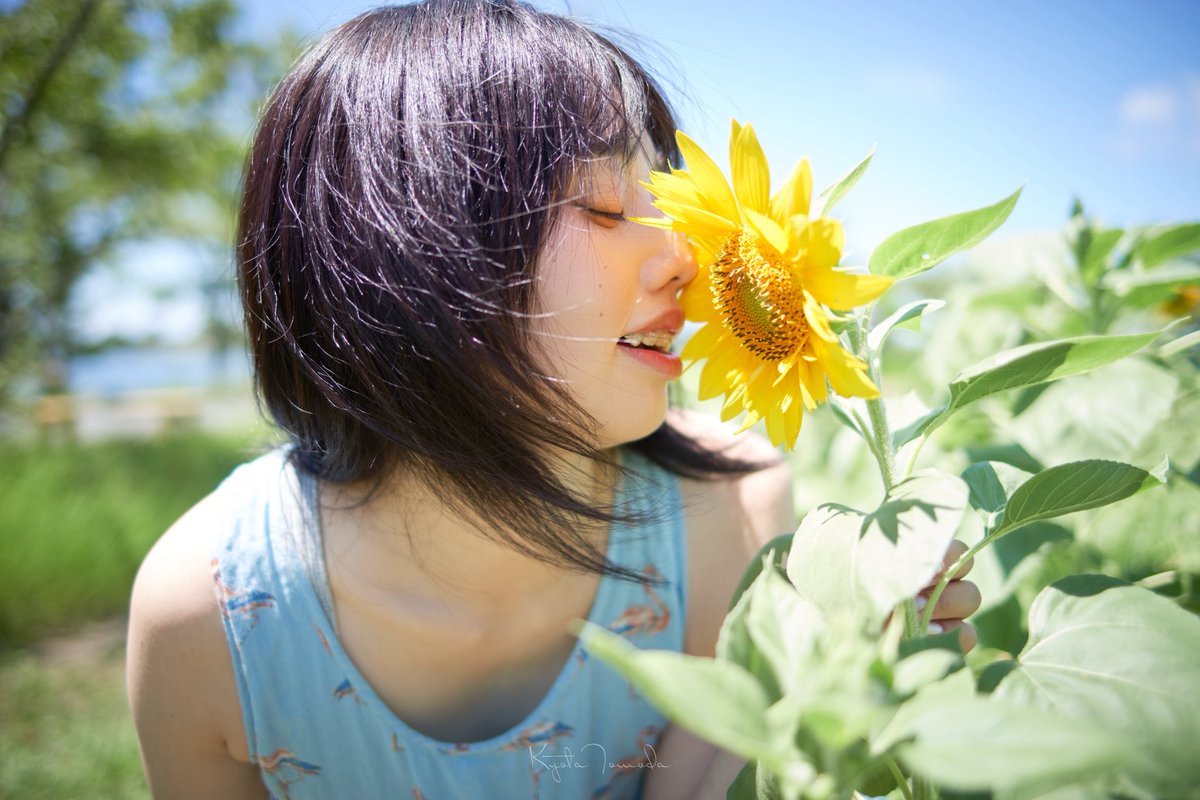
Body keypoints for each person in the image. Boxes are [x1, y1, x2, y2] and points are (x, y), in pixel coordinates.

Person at [125, 2, 981, 798]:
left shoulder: (732, 508)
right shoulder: (217, 616)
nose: (687, 255)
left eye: (669, 199)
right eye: (608, 204)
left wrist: (854, 713)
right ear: (403, 258)